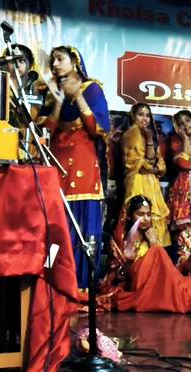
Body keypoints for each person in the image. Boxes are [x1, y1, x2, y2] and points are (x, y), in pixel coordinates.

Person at [38, 46, 109, 290]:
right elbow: (43, 134)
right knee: (54, 227)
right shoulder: (50, 93)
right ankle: (51, 282)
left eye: (60, 59)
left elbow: (99, 129)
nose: (55, 64)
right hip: (56, 165)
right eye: (53, 60)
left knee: (83, 229)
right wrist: (58, 103)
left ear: (75, 62)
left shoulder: (92, 89)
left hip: (83, 166)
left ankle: (81, 285)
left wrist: (78, 96)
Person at [98, 196, 191, 314]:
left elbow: (166, 268)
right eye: (140, 214)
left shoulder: (151, 235)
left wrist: (153, 242)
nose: (146, 219)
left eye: (148, 214)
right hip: (138, 285)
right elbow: (114, 277)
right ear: (129, 216)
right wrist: (129, 263)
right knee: (157, 252)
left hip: (159, 283)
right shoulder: (121, 240)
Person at [117, 103, 170, 247]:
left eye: (147, 115)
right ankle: (137, 251)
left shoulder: (150, 134)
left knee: (152, 217)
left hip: (152, 183)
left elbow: (159, 164)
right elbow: (137, 164)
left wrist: (150, 140)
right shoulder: (131, 133)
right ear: (133, 116)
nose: (144, 119)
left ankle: (155, 253)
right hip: (137, 181)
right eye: (140, 115)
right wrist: (153, 168)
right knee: (139, 215)